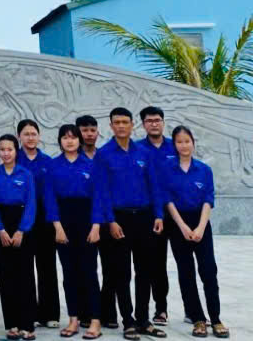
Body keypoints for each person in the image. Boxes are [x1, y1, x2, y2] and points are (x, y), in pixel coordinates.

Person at [95, 107, 166, 340]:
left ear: (132, 125)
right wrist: (111, 221)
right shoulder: (104, 154)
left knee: (145, 271)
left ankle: (144, 319)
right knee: (121, 273)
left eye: (125, 122)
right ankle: (128, 321)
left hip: (144, 217)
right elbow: (102, 191)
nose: (121, 126)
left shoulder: (144, 153)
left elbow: (154, 185)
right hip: (119, 219)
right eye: (117, 122)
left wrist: (158, 215)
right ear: (111, 126)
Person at [161, 127, 226, 339]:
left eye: (187, 141)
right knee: (186, 272)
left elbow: (208, 199)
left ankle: (215, 318)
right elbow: (167, 200)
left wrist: (200, 227)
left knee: (208, 271)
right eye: (179, 142)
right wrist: (182, 226)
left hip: (201, 222)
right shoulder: (167, 169)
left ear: (193, 143)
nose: (184, 145)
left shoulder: (204, 170)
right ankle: (198, 318)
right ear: (174, 145)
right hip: (177, 224)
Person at [43, 124, 105, 340]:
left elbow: (99, 197)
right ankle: (73, 319)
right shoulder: (53, 166)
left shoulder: (91, 164)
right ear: (60, 141)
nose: (69, 141)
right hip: (63, 221)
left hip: (87, 220)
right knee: (69, 273)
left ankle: (95, 320)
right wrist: (57, 226)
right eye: (65, 137)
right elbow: (49, 198)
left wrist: (96, 226)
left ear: (79, 140)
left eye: (73, 137)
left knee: (89, 271)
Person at [0, 133, 36, 340]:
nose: (6, 153)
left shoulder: (26, 174)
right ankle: (12, 324)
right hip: (1, 226)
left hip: (22, 226)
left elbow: (31, 204)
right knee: (6, 277)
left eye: (10, 149)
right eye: (2, 150)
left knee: (25, 276)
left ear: (16, 151)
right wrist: (0, 230)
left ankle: (27, 325)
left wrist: (22, 230)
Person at [77, 114, 118, 331]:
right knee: (87, 269)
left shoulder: (104, 156)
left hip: (107, 219)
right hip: (86, 221)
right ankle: (87, 312)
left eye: (93, 130)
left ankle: (108, 312)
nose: (89, 134)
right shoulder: (73, 159)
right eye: (84, 130)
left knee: (111, 268)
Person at [17, 118, 59, 330]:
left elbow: (51, 194)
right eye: (26, 134)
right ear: (19, 137)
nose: (30, 138)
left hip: (44, 218)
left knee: (47, 267)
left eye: (33, 134)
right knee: (24, 268)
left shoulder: (47, 161)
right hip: (22, 218)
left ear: (39, 136)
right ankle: (29, 313)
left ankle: (49, 314)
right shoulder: (14, 159)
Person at [137, 106, 177, 327]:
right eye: (149, 120)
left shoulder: (175, 146)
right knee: (156, 263)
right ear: (143, 124)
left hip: (177, 213)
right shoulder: (137, 149)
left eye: (157, 120)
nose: (154, 123)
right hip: (152, 215)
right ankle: (161, 309)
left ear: (163, 122)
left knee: (185, 264)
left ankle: (194, 312)